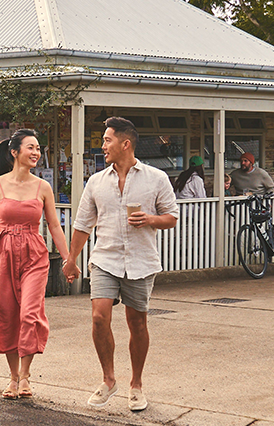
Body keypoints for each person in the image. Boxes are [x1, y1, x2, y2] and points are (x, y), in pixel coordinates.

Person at [64, 117, 179, 412]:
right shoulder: (96, 182)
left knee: (137, 323)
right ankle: (108, 379)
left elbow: (171, 217)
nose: (102, 146)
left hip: (141, 261)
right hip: (105, 259)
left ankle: (136, 385)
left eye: (107, 140)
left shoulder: (156, 178)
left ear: (125, 144)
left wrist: (150, 220)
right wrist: (70, 259)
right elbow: (82, 225)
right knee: (99, 317)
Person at [0, 129, 72, 400]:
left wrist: (67, 259)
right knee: (6, 316)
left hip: (33, 254)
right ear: (15, 152)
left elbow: (53, 225)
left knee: (29, 314)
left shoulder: (43, 187)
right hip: (3, 253)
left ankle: (26, 377)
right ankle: (12, 377)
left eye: (38, 148)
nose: (36, 153)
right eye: (31, 147)